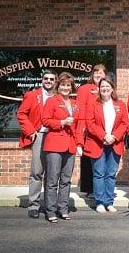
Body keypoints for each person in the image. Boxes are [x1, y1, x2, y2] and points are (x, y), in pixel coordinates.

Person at [83, 77, 129, 213]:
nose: (105, 88)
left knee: (110, 174)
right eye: (102, 86)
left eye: (107, 86)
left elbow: (125, 123)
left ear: (112, 88)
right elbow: (90, 123)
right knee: (98, 174)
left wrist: (114, 137)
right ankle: (100, 202)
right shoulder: (93, 103)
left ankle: (109, 202)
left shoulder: (120, 104)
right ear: (99, 88)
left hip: (115, 143)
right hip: (98, 143)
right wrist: (104, 136)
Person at [17, 69, 57, 219]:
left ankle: (49, 205)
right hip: (39, 135)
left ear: (55, 81)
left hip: (54, 136)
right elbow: (21, 114)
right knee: (37, 172)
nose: (48, 81)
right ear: (42, 80)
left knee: (52, 174)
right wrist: (31, 130)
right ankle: (34, 205)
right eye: (46, 78)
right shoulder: (32, 95)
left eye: (51, 79)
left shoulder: (58, 97)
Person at [42, 72, 78, 223]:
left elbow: (79, 125)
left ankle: (63, 209)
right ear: (58, 86)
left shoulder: (75, 103)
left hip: (70, 145)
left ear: (71, 87)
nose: (65, 87)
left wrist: (79, 144)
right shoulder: (52, 100)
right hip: (55, 144)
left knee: (66, 180)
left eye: (68, 85)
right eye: (63, 84)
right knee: (52, 179)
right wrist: (62, 122)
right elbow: (45, 120)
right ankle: (50, 210)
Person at [76, 64, 107, 199]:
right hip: (88, 128)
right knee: (89, 159)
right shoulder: (84, 89)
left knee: (104, 159)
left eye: (101, 73)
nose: (98, 75)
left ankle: (103, 188)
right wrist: (81, 128)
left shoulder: (107, 88)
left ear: (105, 75)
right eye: (95, 72)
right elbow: (80, 109)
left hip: (105, 129)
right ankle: (90, 189)